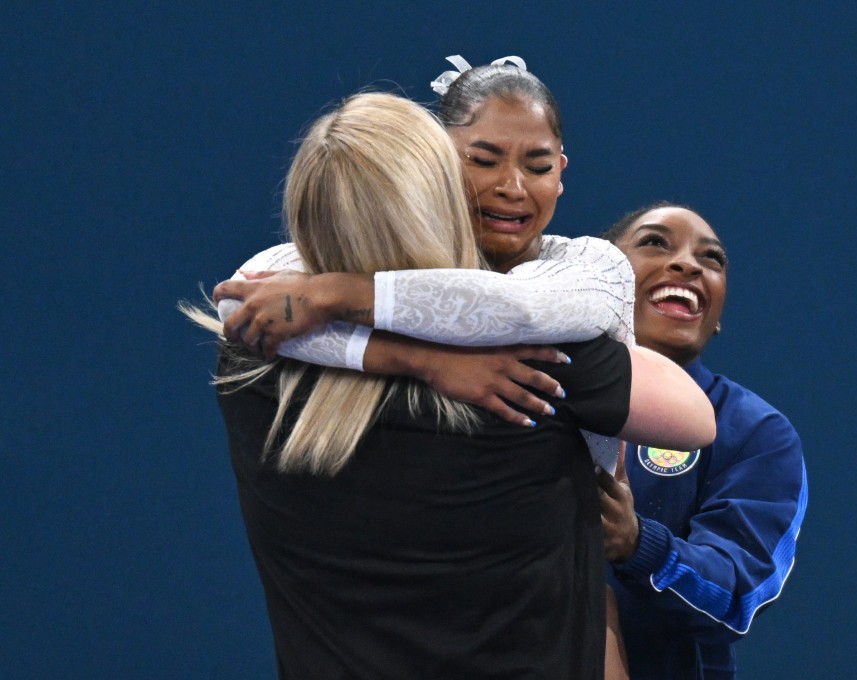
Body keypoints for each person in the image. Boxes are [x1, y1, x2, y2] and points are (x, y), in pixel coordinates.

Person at [185, 93, 716, 679]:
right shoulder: (533, 367)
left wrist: (400, 350)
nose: (507, 187)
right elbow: (693, 417)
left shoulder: (251, 353)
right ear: (440, 196)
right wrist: (432, 355)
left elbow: (251, 288)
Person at [213, 56, 636, 441]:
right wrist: (423, 361)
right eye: (483, 162)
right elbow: (238, 302)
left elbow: (517, 309)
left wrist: (332, 295)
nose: (513, 187)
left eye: (538, 167)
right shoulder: (393, 264)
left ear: (560, 171)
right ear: (435, 164)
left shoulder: (594, 265)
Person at [597, 203, 808, 680]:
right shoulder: (526, 380)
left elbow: (738, 595)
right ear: (599, 273)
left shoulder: (755, 432)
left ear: (717, 315)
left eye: (711, 259)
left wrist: (635, 543)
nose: (689, 264)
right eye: (655, 242)